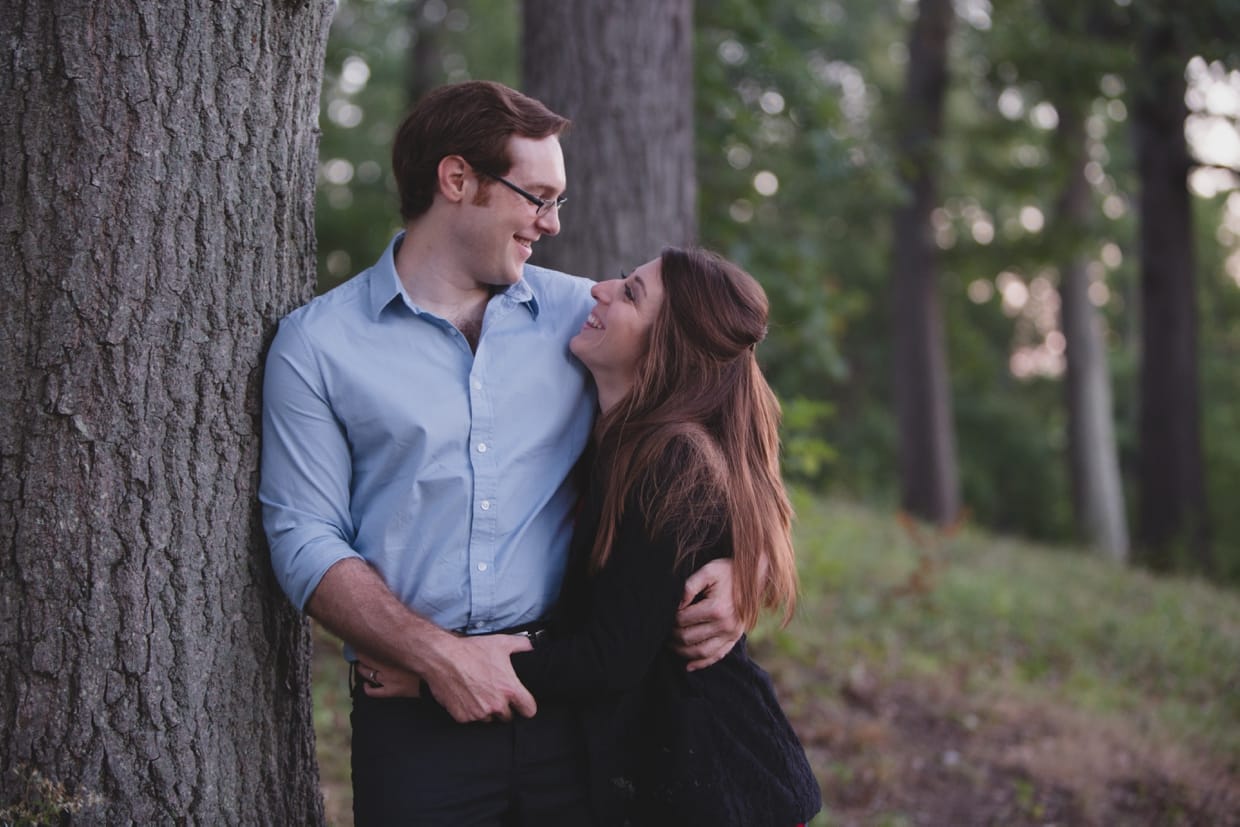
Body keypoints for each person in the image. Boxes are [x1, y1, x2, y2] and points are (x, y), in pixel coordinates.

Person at [259, 80, 742, 825]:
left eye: (558, 202)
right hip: (414, 718)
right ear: (457, 180)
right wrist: (438, 657)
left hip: (574, 708)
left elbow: (723, 401)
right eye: (537, 197)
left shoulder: (583, 314)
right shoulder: (318, 345)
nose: (550, 224)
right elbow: (303, 536)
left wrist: (742, 563)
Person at [361, 248, 823, 826]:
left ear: (667, 347)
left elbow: (609, 657)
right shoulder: (619, 438)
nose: (599, 290)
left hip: (720, 787)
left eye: (631, 293)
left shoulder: (671, 463)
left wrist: (434, 672)